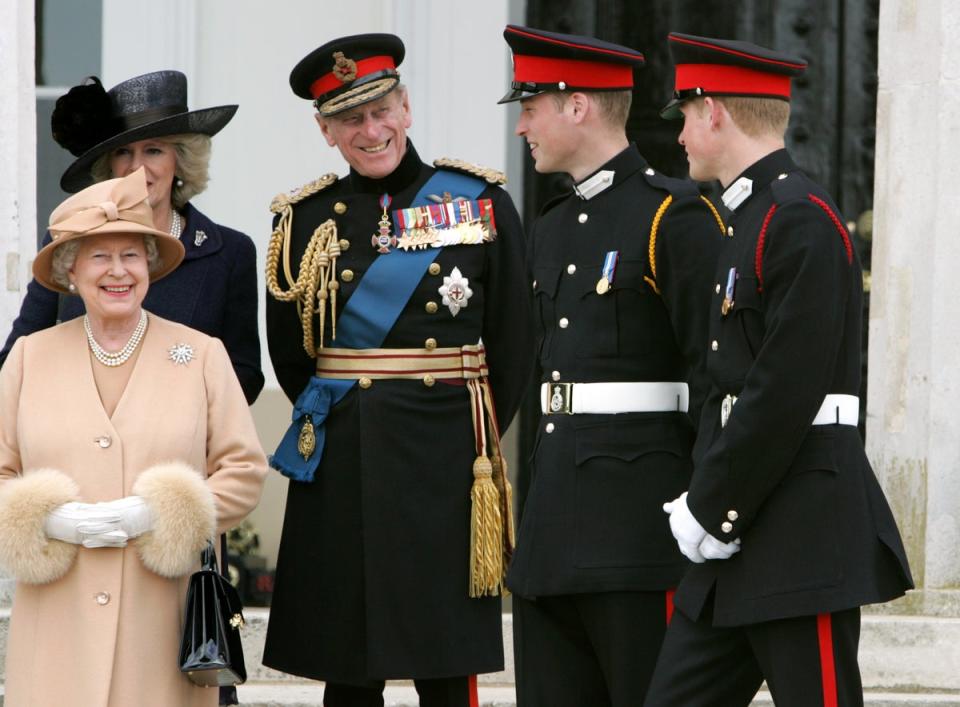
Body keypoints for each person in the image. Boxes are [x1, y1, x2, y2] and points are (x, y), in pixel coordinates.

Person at [261, 33, 533, 707]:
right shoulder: (303, 221)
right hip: (346, 465)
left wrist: (463, 436)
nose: (371, 130)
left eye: (382, 110)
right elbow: (293, 359)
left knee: (446, 669)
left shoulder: (479, 203)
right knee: (348, 675)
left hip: (446, 466)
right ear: (325, 130)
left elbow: (514, 345)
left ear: (407, 107)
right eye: (350, 118)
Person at [645, 33, 914, 707]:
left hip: (800, 529)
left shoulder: (800, 218)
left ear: (714, 113)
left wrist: (712, 506)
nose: (678, 134)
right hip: (739, 535)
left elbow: (783, 389)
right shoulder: (750, 217)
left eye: (685, 115)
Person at [497, 24, 725, 707]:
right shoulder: (553, 224)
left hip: (638, 534)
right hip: (552, 533)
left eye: (530, 107)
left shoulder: (672, 217)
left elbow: (716, 377)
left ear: (577, 106)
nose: (521, 127)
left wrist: (706, 512)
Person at [0, 167, 267, 707]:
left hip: (162, 628)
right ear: (70, 270)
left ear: (150, 266)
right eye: (99, 256)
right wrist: (46, 518)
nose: (117, 271)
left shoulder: (202, 355)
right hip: (56, 628)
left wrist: (161, 514)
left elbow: (244, 471)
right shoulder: (30, 357)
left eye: (131, 255)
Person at [0, 70, 263, 404]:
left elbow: (245, 376)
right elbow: (15, 362)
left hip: (181, 448)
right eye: (123, 152)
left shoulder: (229, 251)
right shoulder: (69, 239)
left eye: (153, 151)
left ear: (179, 160)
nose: (136, 167)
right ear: (108, 165)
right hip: (79, 437)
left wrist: (169, 408)